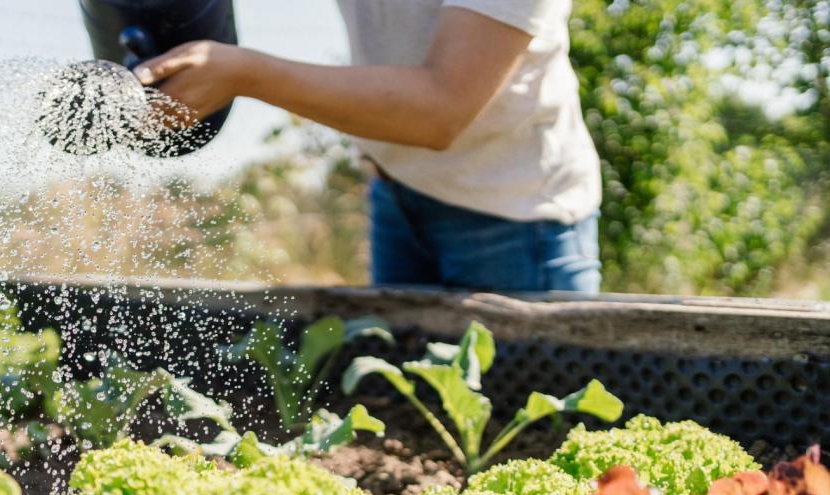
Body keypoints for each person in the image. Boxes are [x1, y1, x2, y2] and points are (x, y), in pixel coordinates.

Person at [133, 0, 602, 293]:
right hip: (395, 192)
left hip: (515, 217)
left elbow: (442, 109)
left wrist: (244, 74)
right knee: (412, 414)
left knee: (531, 421)